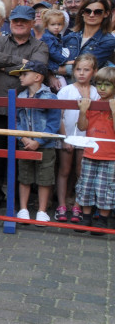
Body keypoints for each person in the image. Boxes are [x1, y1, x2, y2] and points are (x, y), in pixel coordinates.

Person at [0, 5, 50, 210]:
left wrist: (4, 65)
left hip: (26, 112)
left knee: (23, 158)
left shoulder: (40, 46)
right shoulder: (0, 40)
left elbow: (37, 68)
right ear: (9, 23)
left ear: (31, 23)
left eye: (23, 21)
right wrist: (20, 62)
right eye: (15, 20)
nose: (18, 24)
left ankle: (18, 200)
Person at [9, 62, 61, 221]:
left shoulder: (51, 97)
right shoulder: (19, 97)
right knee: (24, 176)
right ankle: (23, 208)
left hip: (45, 146)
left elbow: (53, 124)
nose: (20, 77)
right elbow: (15, 121)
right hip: (24, 144)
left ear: (38, 77)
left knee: (45, 178)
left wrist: (38, 141)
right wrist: (23, 138)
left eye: (24, 74)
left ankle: (42, 210)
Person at [55, 54, 98, 223]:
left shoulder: (95, 92)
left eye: (86, 70)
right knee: (64, 170)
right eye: (78, 69)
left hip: (86, 139)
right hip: (68, 137)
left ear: (94, 72)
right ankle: (61, 205)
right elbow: (60, 116)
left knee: (81, 172)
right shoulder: (66, 91)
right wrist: (65, 138)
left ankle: (78, 206)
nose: (82, 73)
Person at [74, 65, 115, 233]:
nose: (102, 88)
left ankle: (103, 219)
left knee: (105, 187)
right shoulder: (93, 104)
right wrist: (83, 111)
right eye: (99, 84)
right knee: (86, 185)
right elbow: (83, 127)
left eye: (107, 84)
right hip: (91, 153)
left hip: (111, 156)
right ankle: (87, 217)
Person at [63, 0, 115, 70]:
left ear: (106, 14)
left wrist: (57, 69)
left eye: (98, 12)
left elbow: (88, 68)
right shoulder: (71, 36)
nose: (91, 15)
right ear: (82, 13)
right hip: (61, 80)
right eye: (88, 11)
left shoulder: (108, 40)